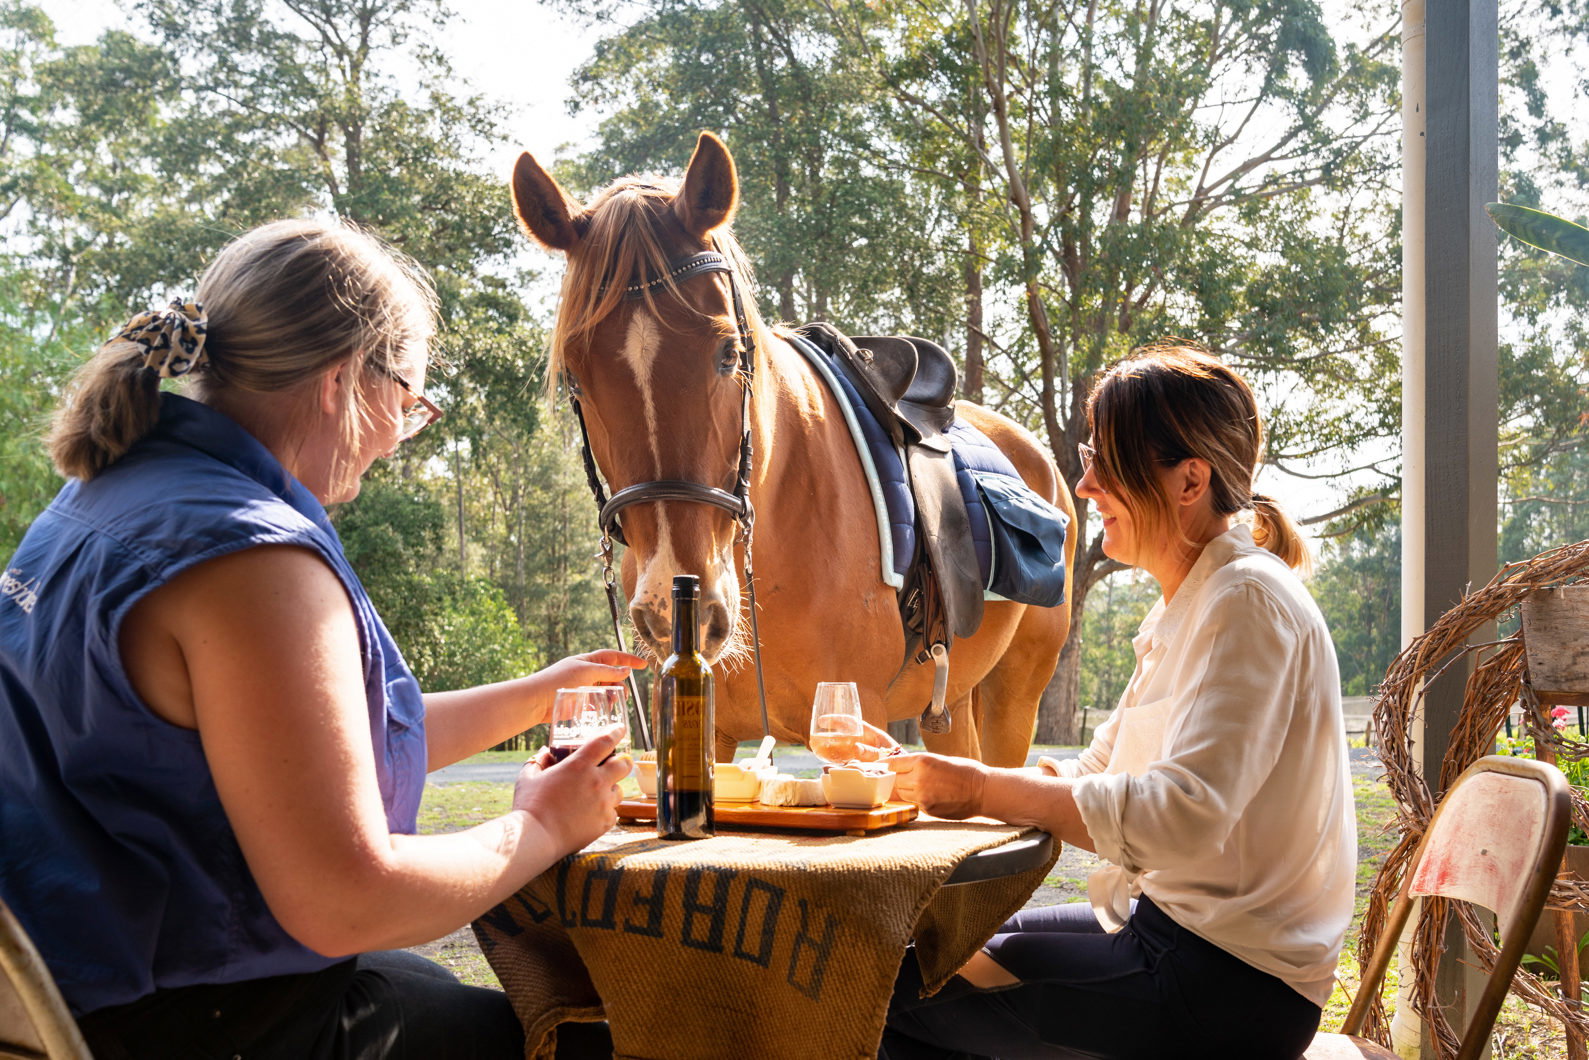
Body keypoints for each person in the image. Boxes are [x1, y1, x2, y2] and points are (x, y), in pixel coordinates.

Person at [0, 218, 643, 1059]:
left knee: (429, 988)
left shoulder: (111, 497)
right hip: (186, 1024)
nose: (401, 437)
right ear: (344, 380)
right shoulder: (249, 560)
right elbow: (348, 901)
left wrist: (537, 693)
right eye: (410, 401)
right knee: (583, 1035)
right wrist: (542, 829)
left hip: (75, 995)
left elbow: (295, 754)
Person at [877, 341, 1357, 1059]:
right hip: (1169, 932)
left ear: (1188, 480)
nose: (1083, 483)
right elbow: (1099, 773)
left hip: (1228, 984)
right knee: (921, 958)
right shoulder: (1188, 605)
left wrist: (978, 785)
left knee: (890, 1003)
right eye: (1086, 454)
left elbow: (1180, 818)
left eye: (1106, 460)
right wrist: (943, 785)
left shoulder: (1246, 602)